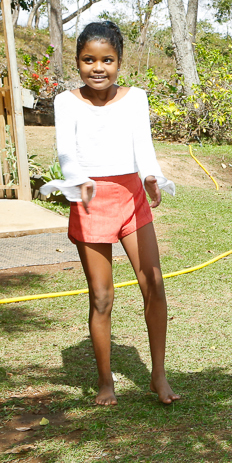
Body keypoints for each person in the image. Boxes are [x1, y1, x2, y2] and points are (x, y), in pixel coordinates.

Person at [41, 21, 180, 407]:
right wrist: (77, 180)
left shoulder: (136, 98)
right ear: (77, 61)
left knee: (154, 284)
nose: (98, 68)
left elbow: (143, 146)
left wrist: (151, 176)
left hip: (131, 197)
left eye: (107, 60)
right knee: (102, 297)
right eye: (89, 60)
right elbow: (66, 151)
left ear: (119, 62)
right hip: (91, 201)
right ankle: (105, 382)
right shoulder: (66, 101)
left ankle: (158, 374)